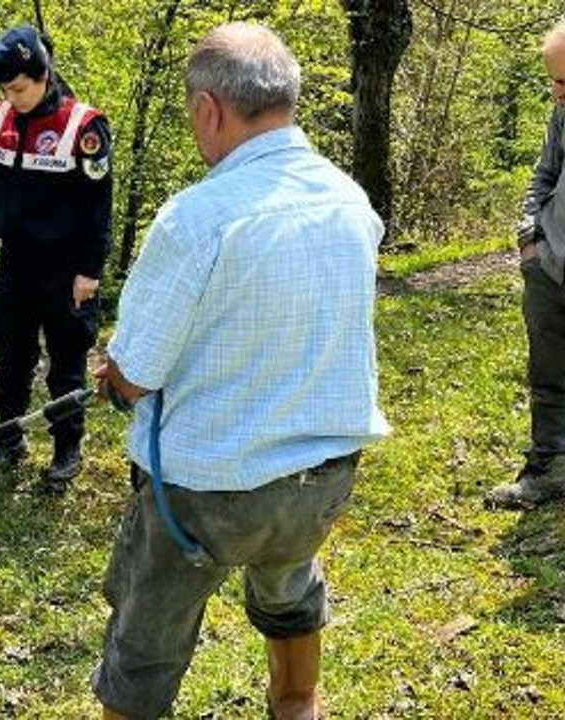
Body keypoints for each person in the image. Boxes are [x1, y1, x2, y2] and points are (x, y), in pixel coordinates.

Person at [90, 24, 389, 719]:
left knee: (145, 642)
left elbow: (136, 374)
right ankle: (297, 705)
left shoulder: (196, 218)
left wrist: (114, 378)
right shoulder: (351, 201)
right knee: (290, 591)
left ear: (208, 111)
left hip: (207, 491)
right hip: (323, 478)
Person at [0, 24, 113, 491]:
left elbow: (98, 206)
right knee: (11, 354)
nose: (13, 97)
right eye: (6, 90)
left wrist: (90, 270)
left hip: (67, 266)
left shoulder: (83, 126)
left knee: (66, 360)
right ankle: (7, 440)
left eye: (20, 88)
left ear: (43, 74)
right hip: (17, 261)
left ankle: (67, 448)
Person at [485, 16, 565, 513]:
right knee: (548, 378)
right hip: (549, 270)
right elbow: (545, 172)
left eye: (562, 80)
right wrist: (530, 237)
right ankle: (548, 472)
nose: (555, 92)